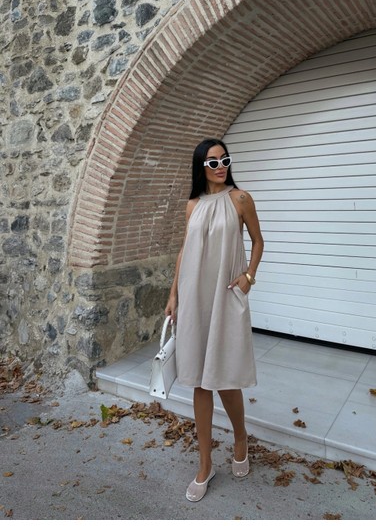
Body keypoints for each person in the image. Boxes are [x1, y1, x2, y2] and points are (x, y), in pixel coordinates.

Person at [165, 138, 264, 502]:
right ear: (200, 167)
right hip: (194, 296)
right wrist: (174, 294)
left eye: (224, 160)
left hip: (225, 294)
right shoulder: (192, 205)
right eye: (212, 162)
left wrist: (249, 277)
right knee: (199, 381)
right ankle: (205, 464)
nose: (220, 166)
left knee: (225, 377)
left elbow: (258, 241)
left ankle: (240, 437)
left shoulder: (241, 199)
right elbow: (184, 250)